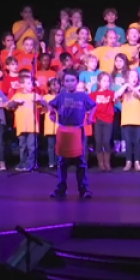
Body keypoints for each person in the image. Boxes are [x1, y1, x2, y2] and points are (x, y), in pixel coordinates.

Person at [49, 71, 97, 199]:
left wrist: (90, 117)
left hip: (77, 131)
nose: (70, 83)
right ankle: (61, 188)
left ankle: (84, 189)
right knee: (62, 162)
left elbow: (93, 106)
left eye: (72, 80)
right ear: (63, 83)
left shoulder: (82, 96)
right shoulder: (61, 96)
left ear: (77, 82)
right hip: (64, 130)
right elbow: (51, 104)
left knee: (80, 161)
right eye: (67, 81)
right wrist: (52, 113)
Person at [90, 72, 115, 171]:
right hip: (97, 120)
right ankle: (100, 163)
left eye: (108, 81)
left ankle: (107, 162)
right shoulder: (94, 94)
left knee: (106, 141)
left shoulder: (111, 93)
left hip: (108, 120)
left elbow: (117, 96)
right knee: (98, 141)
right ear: (99, 82)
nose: (106, 83)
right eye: (104, 81)